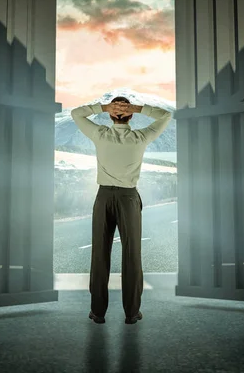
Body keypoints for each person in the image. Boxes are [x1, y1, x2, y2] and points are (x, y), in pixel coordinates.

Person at [70, 96, 173, 324]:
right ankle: (131, 313)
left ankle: (98, 312)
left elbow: (76, 113)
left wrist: (103, 107)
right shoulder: (140, 138)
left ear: (110, 115)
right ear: (131, 116)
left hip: (103, 197)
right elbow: (166, 115)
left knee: (99, 255)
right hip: (128, 198)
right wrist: (138, 107)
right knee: (132, 255)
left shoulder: (100, 135)